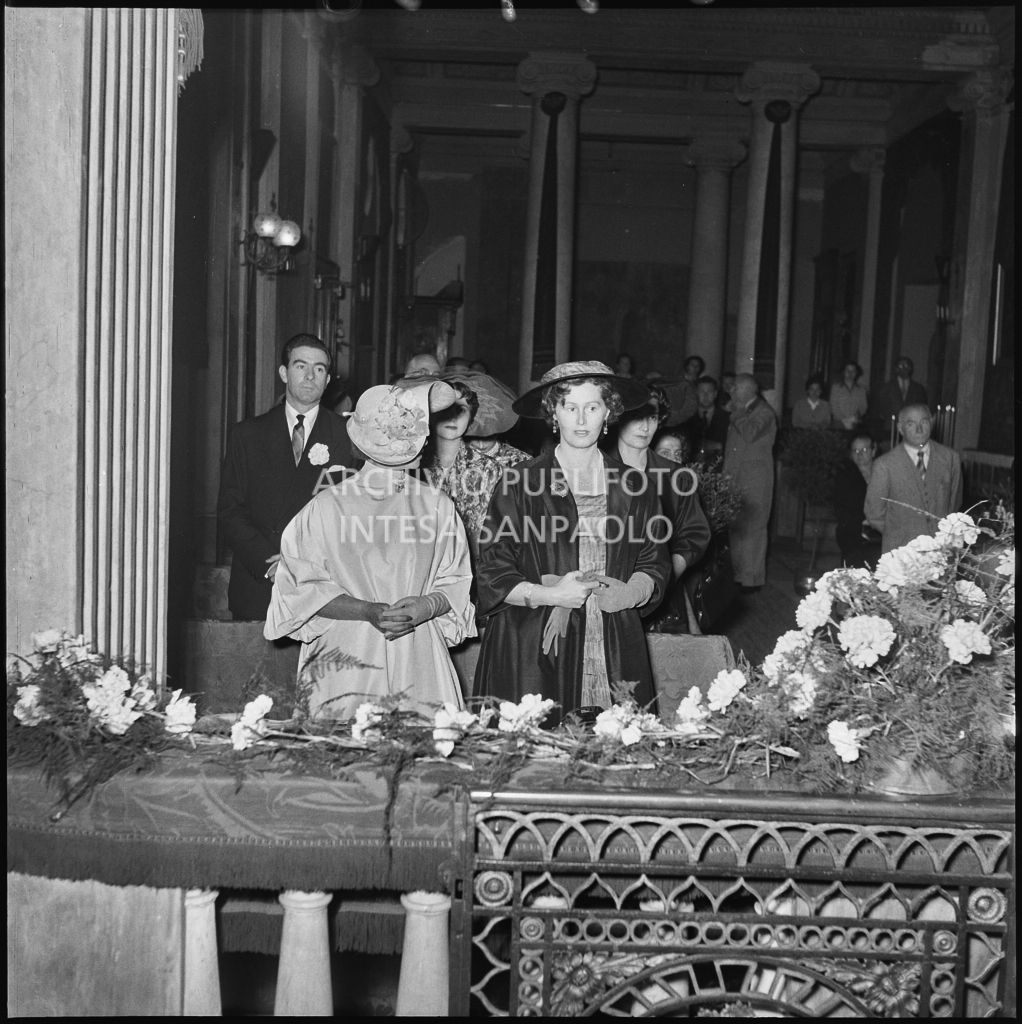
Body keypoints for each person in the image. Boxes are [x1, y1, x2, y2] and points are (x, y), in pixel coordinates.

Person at [264, 378, 476, 721]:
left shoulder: (437, 506)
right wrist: (366, 610)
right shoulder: (327, 507)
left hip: (415, 656)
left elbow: (455, 581)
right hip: (345, 663)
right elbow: (298, 589)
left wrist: (426, 606)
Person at [474, 361, 670, 725]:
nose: (581, 420)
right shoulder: (520, 483)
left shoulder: (636, 486)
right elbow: (491, 569)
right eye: (570, 407)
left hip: (612, 637)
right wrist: (551, 595)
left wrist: (631, 593)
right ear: (553, 412)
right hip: (533, 640)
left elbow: (653, 560)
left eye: (592, 407)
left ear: (608, 412)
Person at [218, 333, 354, 622]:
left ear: (328, 380)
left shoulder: (348, 438)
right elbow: (230, 512)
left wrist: (310, 567)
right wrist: (271, 566)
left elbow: (353, 514)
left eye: (319, 369)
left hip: (323, 586)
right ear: (283, 372)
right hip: (260, 585)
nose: (309, 376)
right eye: (300, 366)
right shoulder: (248, 435)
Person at [611, 383, 710, 632]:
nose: (645, 427)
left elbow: (695, 534)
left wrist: (667, 575)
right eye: (636, 417)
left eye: (652, 417)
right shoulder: (596, 470)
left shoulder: (677, 476)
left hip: (662, 600)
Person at [421, 379, 504, 562]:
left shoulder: (489, 469)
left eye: (462, 409)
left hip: (474, 570)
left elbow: (491, 540)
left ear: (471, 418)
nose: (453, 417)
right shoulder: (416, 467)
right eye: (446, 410)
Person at [864, 403, 963, 553]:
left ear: (932, 423)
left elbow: (954, 502)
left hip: (941, 551)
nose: (919, 429)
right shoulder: (884, 465)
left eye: (923, 422)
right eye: (911, 424)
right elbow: (874, 513)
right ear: (900, 428)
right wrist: (900, 533)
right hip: (900, 552)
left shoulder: (950, 458)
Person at [724, 373, 778, 591]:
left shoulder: (764, 412)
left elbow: (750, 433)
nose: (731, 392)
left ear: (748, 389)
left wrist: (735, 412)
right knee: (736, 528)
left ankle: (752, 579)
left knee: (754, 529)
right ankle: (739, 576)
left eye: (735, 388)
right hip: (735, 478)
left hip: (756, 480)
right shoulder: (744, 411)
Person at [833, 433, 883, 569]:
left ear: (873, 451)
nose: (859, 454)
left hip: (881, 531)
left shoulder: (884, 472)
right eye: (855, 451)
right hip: (854, 532)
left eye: (864, 450)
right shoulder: (844, 475)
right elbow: (841, 507)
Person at [871, 355, 928, 436]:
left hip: (911, 428)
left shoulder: (918, 388)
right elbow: (880, 408)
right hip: (891, 428)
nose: (904, 368)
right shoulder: (886, 388)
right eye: (900, 366)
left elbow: (922, 407)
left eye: (907, 365)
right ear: (895, 369)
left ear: (911, 368)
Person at [683, 375, 730, 458]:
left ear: (715, 394)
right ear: (696, 393)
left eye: (709, 391)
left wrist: (719, 446)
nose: (705, 395)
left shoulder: (727, 418)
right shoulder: (686, 418)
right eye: (702, 391)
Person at [829, 360, 868, 431]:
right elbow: (834, 407)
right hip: (839, 423)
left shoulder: (861, 390)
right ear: (843, 372)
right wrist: (845, 420)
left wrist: (855, 417)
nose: (850, 373)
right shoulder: (835, 387)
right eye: (848, 370)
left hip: (855, 423)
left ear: (856, 373)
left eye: (853, 371)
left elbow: (863, 407)